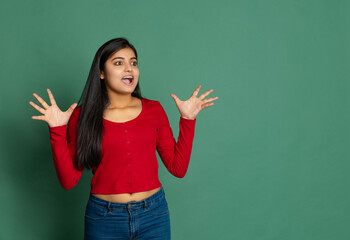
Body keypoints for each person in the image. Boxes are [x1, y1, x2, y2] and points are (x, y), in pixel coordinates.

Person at [29, 37, 218, 239]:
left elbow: (177, 168)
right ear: (101, 72)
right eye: (118, 63)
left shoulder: (154, 110)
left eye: (133, 63)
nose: (129, 68)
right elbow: (69, 181)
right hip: (103, 218)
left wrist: (188, 119)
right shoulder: (81, 117)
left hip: (154, 215)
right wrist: (57, 130)